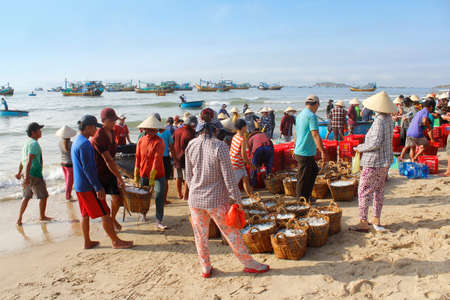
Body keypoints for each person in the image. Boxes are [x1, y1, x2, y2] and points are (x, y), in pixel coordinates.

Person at [185, 109, 269, 278]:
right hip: (216, 200)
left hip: (195, 199)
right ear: (216, 127)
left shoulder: (191, 145)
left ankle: (206, 268)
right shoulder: (220, 146)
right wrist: (237, 201)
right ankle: (249, 263)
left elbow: (188, 176)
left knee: (200, 236)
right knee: (232, 234)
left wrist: (195, 188)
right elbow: (229, 179)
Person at [71, 115, 133, 249]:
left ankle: (87, 242)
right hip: (88, 186)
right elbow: (88, 169)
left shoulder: (77, 141)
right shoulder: (85, 144)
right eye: (94, 127)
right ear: (88, 128)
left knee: (85, 214)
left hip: (79, 185)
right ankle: (115, 241)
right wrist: (98, 187)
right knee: (105, 213)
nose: (96, 131)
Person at [349, 91, 396, 233]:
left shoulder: (380, 120)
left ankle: (363, 221)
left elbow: (375, 142)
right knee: (379, 190)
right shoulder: (388, 119)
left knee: (363, 190)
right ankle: (376, 218)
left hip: (374, 161)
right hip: (385, 161)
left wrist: (359, 148)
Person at [91, 108, 125, 231]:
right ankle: (107, 222)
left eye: (114, 120)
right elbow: (107, 160)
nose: (114, 123)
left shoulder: (113, 131)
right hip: (100, 172)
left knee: (117, 198)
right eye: (111, 121)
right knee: (103, 200)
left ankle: (112, 218)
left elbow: (112, 157)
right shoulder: (98, 136)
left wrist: (117, 172)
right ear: (103, 121)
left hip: (111, 170)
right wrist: (119, 177)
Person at [15, 122, 52, 225]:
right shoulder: (34, 144)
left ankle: (19, 219)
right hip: (34, 175)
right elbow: (28, 161)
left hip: (26, 174)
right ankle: (42, 216)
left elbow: (22, 161)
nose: (41, 132)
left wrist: (19, 173)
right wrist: (27, 177)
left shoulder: (26, 144)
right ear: (33, 132)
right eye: (39, 130)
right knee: (44, 196)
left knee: (26, 197)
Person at [134, 115, 168, 229]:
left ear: (157, 130)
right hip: (143, 172)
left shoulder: (159, 141)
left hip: (158, 174)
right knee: (144, 196)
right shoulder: (141, 141)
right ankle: (143, 214)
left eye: (154, 129)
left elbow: (157, 159)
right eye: (150, 129)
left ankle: (159, 219)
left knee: (159, 195)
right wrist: (136, 174)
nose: (152, 131)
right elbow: (137, 157)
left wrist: (152, 177)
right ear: (145, 129)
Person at [293, 95, 327, 202]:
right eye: (318, 105)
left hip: (302, 151)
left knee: (313, 171)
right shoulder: (311, 116)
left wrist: (295, 147)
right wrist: (322, 151)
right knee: (302, 178)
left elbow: (296, 133)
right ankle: (300, 201)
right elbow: (315, 134)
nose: (317, 107)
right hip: (305, 152)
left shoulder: (299, 115)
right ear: (316, 104)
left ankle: (307, 196)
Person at [173, 115, 197, 200]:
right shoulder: (190, 133)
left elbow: (172, 142)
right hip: (186, 158)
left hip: (176, 156)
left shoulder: (177, 131)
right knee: (187, 177)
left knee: (178, 176)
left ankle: (179, 193)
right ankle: (186, 195)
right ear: (192, 124)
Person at [230, 119, 254, 197]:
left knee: (245, 179)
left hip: (234, 161)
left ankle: (250, 196)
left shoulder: (235, 136)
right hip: (237, 164)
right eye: (245, 126)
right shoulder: (242, 139)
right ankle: (230, 200)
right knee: (233, 185)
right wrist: (250, 164)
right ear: (243, 127)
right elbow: (243, 155)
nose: (246, 128)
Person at [56, 125, 77, 201]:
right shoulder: (72, 144)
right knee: (70, 182)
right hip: (70, 165)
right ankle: (68, 196)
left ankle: (68, 195)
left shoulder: (60, 143)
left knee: (67, 181)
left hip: (63, 163)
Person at [157, 118, 175, 205]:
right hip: (165, 158)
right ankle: (163, 200)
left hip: (156, 159)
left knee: (157, 180)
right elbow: (171, 146)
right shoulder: (167, 132)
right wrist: (174, 158)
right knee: (165, 180)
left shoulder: (153, 133)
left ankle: (160, 199)